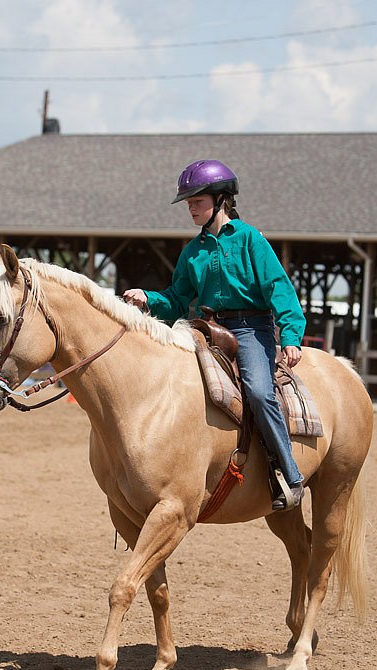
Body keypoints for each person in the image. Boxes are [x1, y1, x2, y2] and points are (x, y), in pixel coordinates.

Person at [123, 159, 307, 511]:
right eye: (189, 203)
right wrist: (149, 298)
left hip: (252, 328)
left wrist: (291, 336)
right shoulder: (193, 251)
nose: (191, 209)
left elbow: (278, 288)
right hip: (208, 327)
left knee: (257, 390)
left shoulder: (250, 239)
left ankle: (290, 473)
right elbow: (178, 299)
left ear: (220, 200)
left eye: (197, 201)